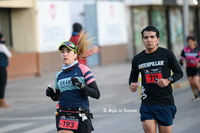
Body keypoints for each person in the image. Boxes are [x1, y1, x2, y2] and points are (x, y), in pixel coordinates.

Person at [129, 26, 183, 133]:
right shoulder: (137, 59)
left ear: (157, 40)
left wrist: (168, 80)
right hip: (147, 103)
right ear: (142, 40)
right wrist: (132, 84)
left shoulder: (167, 54)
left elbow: (179, 72)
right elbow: (132, 77)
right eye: (146, 37)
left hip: (165, 102)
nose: (149, 40)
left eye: (152, 37)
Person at [46, 31, 100, 133]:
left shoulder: (84, 70)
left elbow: (97, 94)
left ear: (75, 54)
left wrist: (81, 86)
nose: (65, 54)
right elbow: (59, 97)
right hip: (64, 114)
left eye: (68, 51)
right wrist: (52, 95)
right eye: (62, 52)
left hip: (80, 114)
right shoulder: (59, 75)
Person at [180, 36, 200, 102]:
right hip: (189, 68)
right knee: (191, 82)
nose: (189, 44)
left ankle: (199, 91)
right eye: (188, 43)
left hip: (196, 67)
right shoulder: (185, 50)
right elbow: (182, 57)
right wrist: (181, 62)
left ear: (194, 42)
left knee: (195, 81)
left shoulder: (197, 49)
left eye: (191, 42)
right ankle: (195, 95)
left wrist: (199, 62)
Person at [0, 32, 12, 107]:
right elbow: (9, 55)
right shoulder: (1, 46)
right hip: (1, 67)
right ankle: (2, 101)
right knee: (2, 84)